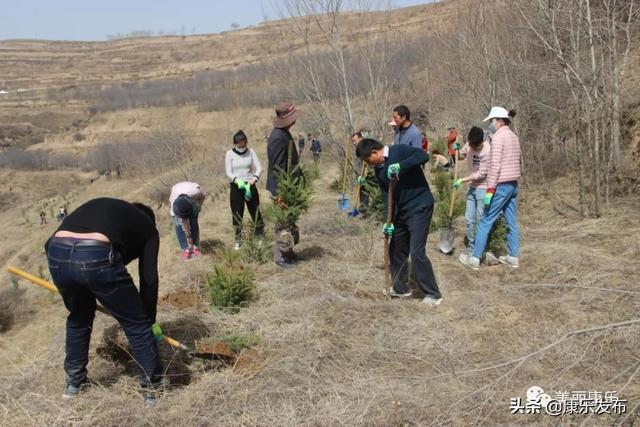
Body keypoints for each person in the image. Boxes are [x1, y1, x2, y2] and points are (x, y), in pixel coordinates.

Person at [44, 198, 163, 405]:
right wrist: (148, 320)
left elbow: (49, 244)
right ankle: (152, 390)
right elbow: (149, 280)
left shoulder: (108, 212)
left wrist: (74, 277)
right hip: (95, 253)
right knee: (136, 323)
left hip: (57, 251)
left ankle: (74, 383)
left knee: (79, 317)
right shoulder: (148, 229)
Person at [355, 138, 443, 306]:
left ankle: (433, 294)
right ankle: (401, 288)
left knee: (416, 252)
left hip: (419, 206)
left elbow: (422, 156)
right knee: (396, 248)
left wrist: (401, 166)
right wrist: (388, 221)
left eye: (367, 160)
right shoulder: (379, 170)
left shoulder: (399, 151)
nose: (368, 163)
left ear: (374, 152)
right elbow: (386, 196)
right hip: (402, 211)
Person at [459, 107, 521, 270]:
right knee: (511, 221)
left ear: (499, 121)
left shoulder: (499, 138)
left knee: (486, 219)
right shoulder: (513, 136)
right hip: (513, 184)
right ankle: (513, 256)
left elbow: (495, 166)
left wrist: (490, 189)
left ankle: (475, 258)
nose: (491, 124)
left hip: (500, 185)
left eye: (492, 121)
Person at [267, 102, 301, 268]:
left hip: (289, 186)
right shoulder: (278, 138)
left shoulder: (284, 133)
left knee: (289, 221)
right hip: (282, 187)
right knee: (282, 223)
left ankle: (288, 252)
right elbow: (278, 167)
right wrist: (281, 193)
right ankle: (280, 257)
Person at [452, 126, 491, 256]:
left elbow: (481, 174)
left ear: (481, 141)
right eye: (471, 145)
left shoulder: (487, 150)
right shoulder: (469, 145)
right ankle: (471, 247)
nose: (473, 148)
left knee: (481, 219)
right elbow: (459, 157)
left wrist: (462, 180)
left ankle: (480, 249)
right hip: (472, 188)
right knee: (469, 219)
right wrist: (455, 150)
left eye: (476, 145)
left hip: (483, 188)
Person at [225, 130, 265, 250]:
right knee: (237, 213)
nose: (242, 146)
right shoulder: (229, 154)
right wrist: (237, 180)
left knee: (255, 211)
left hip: (249, 185)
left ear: (246, 142)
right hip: (237, 186)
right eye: (239, 144)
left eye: (243, 143)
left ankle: (259, 237)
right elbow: (228, 172)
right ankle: (238, 240)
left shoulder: (251, 152)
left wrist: (255, 177)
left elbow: (259, 167)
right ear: (235, 143)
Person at [169, 181, 205, 260]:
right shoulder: (175, 205)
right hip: (178, 201)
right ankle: (186, 249)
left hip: (193, 203)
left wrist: (199, 206)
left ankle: (196, 247)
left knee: (194, 223)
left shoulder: (196, 191)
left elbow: (203, 196)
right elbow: (184, 224)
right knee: (178, 226)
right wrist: (188, 236)